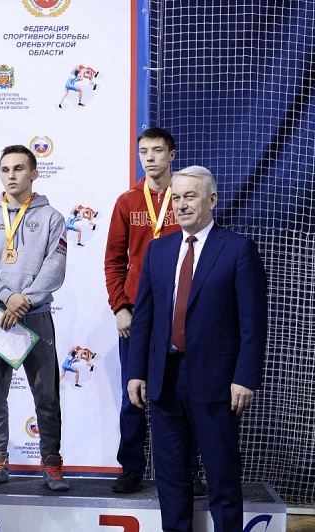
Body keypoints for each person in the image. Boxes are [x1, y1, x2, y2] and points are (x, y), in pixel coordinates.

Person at [127, 166, 267, 532]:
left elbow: (253, 322)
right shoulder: (158, 250)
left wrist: (245, 377)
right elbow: (143, 318)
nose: (181, 204)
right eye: (176, 197)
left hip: (218, 382)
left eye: (190, 196)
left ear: (212, 199)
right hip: (164, 379)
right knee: (170, 477)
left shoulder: (237, 249)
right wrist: (136, 372)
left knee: (222, 477)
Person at [104, 128, 205, 495]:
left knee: (182, 394)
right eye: (143, 151)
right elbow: (113, 260)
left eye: (158, 150)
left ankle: (187, 471)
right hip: (136, 314)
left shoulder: (185, 199)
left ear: (172, 155)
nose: (149, 158)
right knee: (132, 394)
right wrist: (120, 306)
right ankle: (131, 467)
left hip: (179, 314)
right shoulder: (127, 201)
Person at [0, 144, 70, 491]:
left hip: (36, 316)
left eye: (18, 169)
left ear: (34, 173)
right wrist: (6, 298)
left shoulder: (52, 218)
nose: (11, 176)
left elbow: (54, 268)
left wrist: (22, 302)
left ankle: (51, 464)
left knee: (46, 396)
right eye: (5, 169)